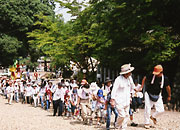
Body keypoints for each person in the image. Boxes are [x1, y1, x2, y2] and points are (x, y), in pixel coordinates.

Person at [140, 65, 171, 129]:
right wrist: (141, 86)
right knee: (147, 108)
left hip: (158, 94)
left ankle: (153, 116)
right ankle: (147, 123)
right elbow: (144, 78)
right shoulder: (151, 75)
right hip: (148, 93)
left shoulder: (165, 79)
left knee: (161, 110)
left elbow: (168, 87)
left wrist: (169, 95)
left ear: (161, 72)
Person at [111, 63, 135, 130]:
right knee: (122, 115)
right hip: (119, 101)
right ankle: (117, 126)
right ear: (125, 73)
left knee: (127, 115)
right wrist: (112, 99)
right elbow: (114, 89)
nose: (130, 73)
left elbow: (132, 87)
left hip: (127, 100)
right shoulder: (118, 79)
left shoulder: (129, 78)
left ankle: (124, 128)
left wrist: (132, 95)